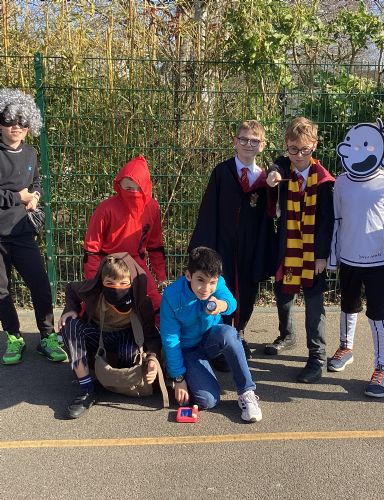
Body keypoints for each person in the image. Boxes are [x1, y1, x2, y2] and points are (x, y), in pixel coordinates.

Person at [327, 118, 384, 398]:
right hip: (348, 260)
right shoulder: (341, 182)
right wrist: (333, 258)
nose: (359, 151)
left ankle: (383, 368)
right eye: (353, 145)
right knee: (347, 305)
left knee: (378, 314)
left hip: (377, 262)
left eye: (367, 146)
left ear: (382, 153)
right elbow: (337, 221)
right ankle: (345, 347)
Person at [188, 119, 275, 363]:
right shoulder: (222, 172)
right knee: (218, 288)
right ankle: (217, 338)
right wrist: (204, 248)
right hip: (222, 244)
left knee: (247, 290)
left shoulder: (265, 179)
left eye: (254, 141)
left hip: (250, 246)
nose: (248, 144)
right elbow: (208, 211)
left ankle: (239, 333)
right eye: (244, 139)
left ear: (262, 145)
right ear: (235, 142)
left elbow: (270, 214)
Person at [264, 117, 334, 384]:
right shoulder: (285, 169)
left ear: (314, 145)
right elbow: (278, 164)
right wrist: (273, 171)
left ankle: (317, 357)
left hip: (313, 251)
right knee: (283, 291)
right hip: (288, 245)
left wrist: (322, 255)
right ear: (287, 145)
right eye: (293, 149)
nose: (299, 155)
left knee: (314, 304)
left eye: (305, 149)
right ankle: (287, 335)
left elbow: (327, 221)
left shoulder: (324, 179)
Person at [0, 88, 67, 365]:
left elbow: (36, 183)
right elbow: (18, 193)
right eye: (9, 120)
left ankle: (47, 336)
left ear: (30, 126)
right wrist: (19, 197)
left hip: (23, 233)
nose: (16, 126)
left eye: (22, 121)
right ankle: (14, 337)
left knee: (40, 285)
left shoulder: (30, 153)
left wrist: (35, 196)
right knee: (1, 290)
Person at [160, 246, 262, 422]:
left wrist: (222, 305)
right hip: (188, 349)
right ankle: (185, 371)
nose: (206, 288)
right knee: (208, 401)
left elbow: (231, 302)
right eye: (200, 280)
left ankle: (247, 392)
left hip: (210, 340)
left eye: (212, 282)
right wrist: (179, 378)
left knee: (229, 334)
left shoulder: (218, 283)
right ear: (188, 275)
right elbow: (171, 339)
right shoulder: (171, 295)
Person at [59, 252, 161, 419]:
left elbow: (151, 335)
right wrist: (70, 309)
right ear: (101, 281)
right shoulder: (93, 291)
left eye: (123, 283)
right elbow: (71, 289)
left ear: (132, 282)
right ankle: (86, 388)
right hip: (98, 333)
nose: (116, 288)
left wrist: (152, 360)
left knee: (129, 354)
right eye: (109, 283)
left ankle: (110, 378)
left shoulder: (142, 301)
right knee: (68, 325)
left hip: (125, 335)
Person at [83, 155, 166, 318]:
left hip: (136, 262)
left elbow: (155, 244)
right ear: (119, 185)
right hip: (108, 262)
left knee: (154, 299)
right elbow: (92, 248)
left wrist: (160, 274)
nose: (132, 193)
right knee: (97, 301)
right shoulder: (105, 209)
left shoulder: (152, 207)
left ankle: (156, 331)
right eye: (127, 188)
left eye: (137, 188)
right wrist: (93, 279)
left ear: (145, 187)